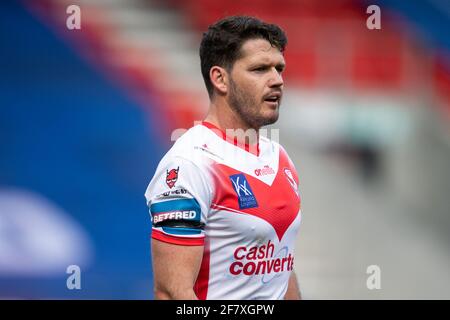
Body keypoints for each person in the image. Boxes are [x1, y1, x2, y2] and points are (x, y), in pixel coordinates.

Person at [145, 16, 302, 300]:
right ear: (220, 79)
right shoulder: (190, 163)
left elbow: (282, 264)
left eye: (279, 69)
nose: (277, 80)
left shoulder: (280, 156)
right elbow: (172, 292)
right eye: (259, 69)